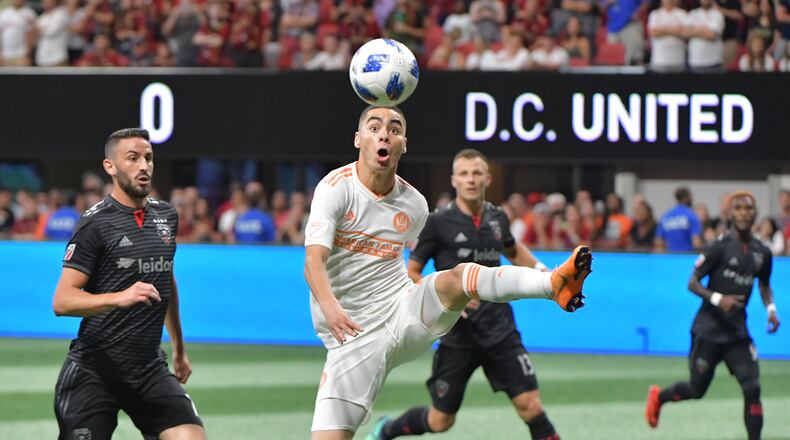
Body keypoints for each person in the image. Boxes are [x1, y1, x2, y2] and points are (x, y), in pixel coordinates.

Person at [304, 106, 593, 440]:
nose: (384, 133)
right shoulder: (335, 189)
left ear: (404, 144)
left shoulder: (414, 203)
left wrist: (540, 269)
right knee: (433, 421)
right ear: (358, 139)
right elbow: (313, 262)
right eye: (374, 127)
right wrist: (329, 305)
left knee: (460, 277)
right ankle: (388, 429)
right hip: (352, 337)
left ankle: (551, 283)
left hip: (403, 312)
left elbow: (508, 250)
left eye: (394, 128)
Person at [366, 149, 560, 440]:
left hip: (500, 330)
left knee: (531, 406)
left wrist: (547, 275)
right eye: (464, 174)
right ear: (454, 180)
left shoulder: (497, 216)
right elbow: (412, 273)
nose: (471, 179)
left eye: (477, 173)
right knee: (441, 420)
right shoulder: (437, 222)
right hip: (457, 335)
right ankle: (388, 429)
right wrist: (448, 296)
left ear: (487, 179)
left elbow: (513, 249)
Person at [51, 128, 205, 440]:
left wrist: (178, 345)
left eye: (148, 158)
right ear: (110, 166)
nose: (143, 166)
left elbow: (164, 279)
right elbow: (62, 301)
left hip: (148, 368)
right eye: (132, 158)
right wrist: (119, 297)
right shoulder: (94, 224)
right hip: (94, 371)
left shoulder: (166, 215)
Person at [645, 191, 780, 440]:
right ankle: (659, 397)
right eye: (738, 208)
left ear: (755, 214)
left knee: (753, 388)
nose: (743, 213)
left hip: (738, 334)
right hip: (709, 330)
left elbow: (764, 284)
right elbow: (692, 282)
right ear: (730, 214)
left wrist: (771, 309)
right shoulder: (719, 246)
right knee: (697, 389)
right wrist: (719, 299)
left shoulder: (763, 252)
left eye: (748, 208)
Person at [655, 187, 702, 252]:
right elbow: (696, 241)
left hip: (670, 257)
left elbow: (659, 242)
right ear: (687, 198)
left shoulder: (666, 216)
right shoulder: (691, 215)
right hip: (687, 257)